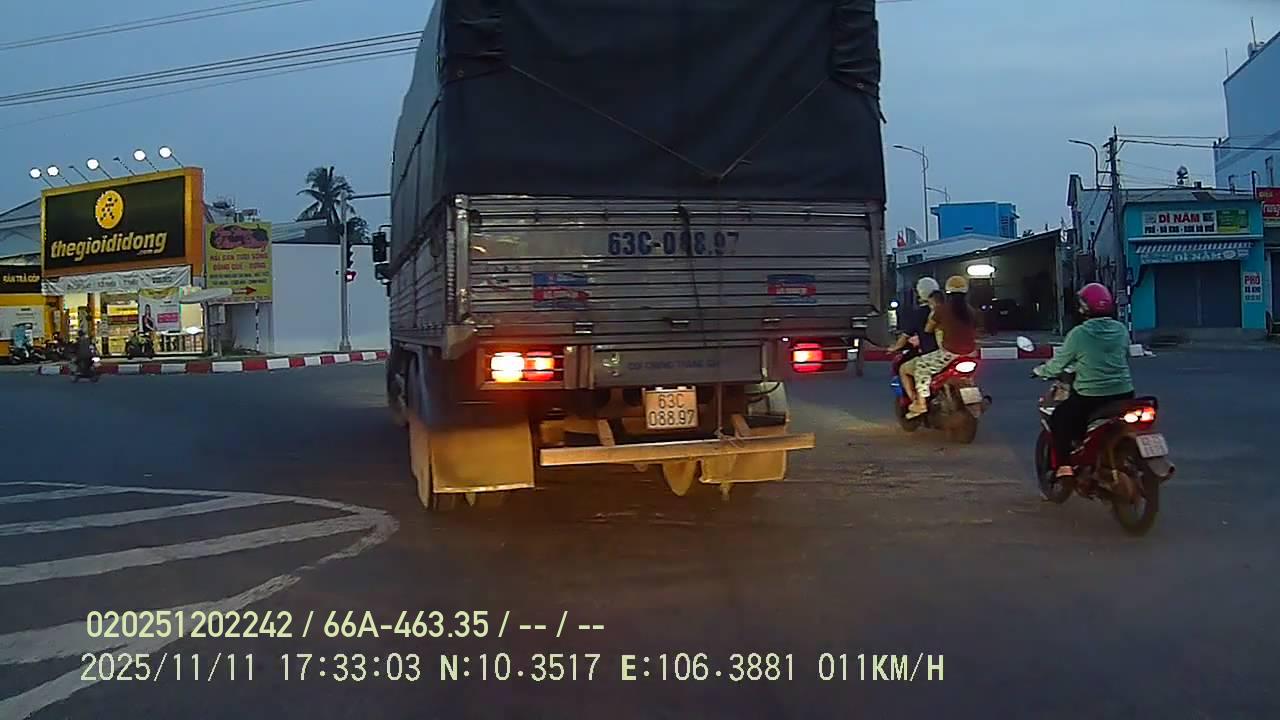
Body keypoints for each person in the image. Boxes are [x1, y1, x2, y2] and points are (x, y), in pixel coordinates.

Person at [1032, 283, 1134, 484]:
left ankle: (1064, 467)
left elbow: (1058, 364)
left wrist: (1040, 371)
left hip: (1091, 397)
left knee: (1060, 418)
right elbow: (1125, 354)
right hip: (1124, 393)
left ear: (1084, 308)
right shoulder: (1121, 329)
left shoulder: (1079, 334)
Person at [906, 275, 978, 418]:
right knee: (969, 377)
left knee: (921, 367)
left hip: (949, 353)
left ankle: (921, 403)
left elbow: (928, 329)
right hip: (970, 353)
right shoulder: (971, 311)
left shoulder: (941, 310)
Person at [889, 277, 941, 408]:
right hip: (955, 351)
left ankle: (918, 402)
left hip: (933, 354)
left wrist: (894, 348)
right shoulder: (950, 310)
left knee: (905, 369)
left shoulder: (921, 314)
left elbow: (906, 336)